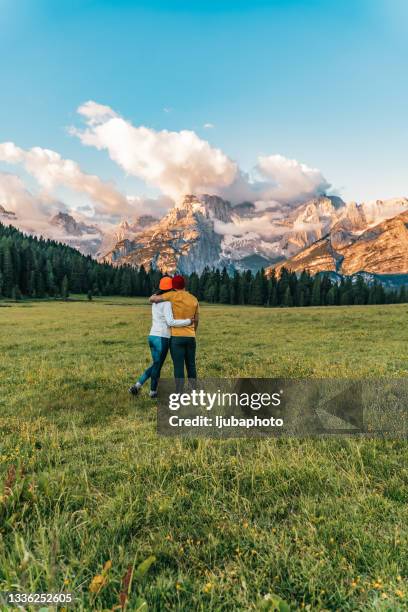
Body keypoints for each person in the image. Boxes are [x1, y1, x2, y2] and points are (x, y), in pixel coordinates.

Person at [129, 276, 192, 398]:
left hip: (152, 335)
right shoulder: (166, 302)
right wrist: (188, 321)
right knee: (157, 366)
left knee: (155, 364)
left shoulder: (156, 301)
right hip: (162, 338)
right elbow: (170, 322)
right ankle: (152, 392)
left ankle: (137, 386)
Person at [149, 274, 199, 389]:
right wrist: (193, 332)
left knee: (178, 366)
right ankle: (193, 390)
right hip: (191, 336)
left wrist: (155, 294)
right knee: (191, 364)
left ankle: (180, 393)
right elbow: (196, 320)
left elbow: (153, 299)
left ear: (174, 286)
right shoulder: (194, 298)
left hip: (176, 338)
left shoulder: (171, 295)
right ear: (184, 285)